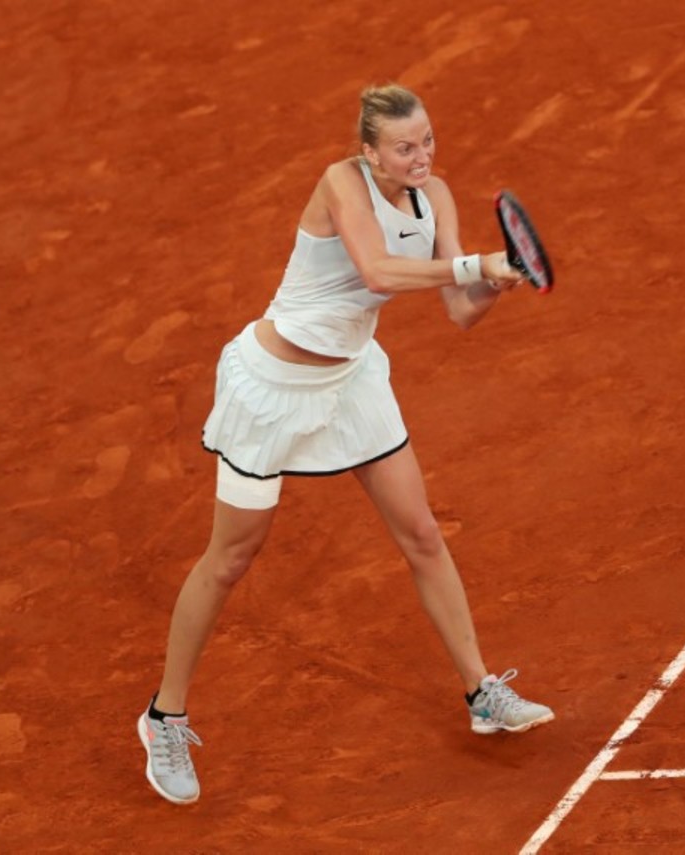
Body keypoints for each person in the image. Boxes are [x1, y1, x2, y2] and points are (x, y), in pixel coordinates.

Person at [136, 83, 554, 806]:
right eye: (403, 146)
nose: (420, 156)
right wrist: (474, 265)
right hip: (271, 390)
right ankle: (163, 716)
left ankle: (481, 691)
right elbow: (377, 272)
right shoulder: (339, 182)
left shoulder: (436, 197)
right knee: (230, 557)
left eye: (427, 140)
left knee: (422, 533)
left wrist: (494, 283)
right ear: (370, 152)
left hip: (353, 381)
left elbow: (459, 310)